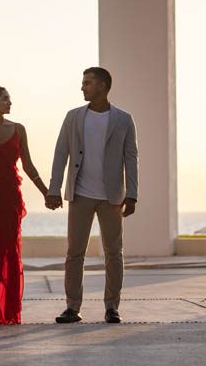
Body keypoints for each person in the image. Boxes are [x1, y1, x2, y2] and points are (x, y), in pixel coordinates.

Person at [46, 67, 138, 324]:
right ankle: (72, 307)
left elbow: (131, 158)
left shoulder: (123, 119)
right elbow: (60, 154)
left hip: (112, 197)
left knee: (114, 252)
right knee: (74, 253)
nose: (82, 87)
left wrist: (132, 194)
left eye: (87, 83)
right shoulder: (73, 117)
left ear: (103, 86)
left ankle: (112, 307)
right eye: (82, 82)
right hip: (80, 194)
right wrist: (54, 189)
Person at [0, 85, 49, 324]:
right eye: (5, 99)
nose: (10, 103)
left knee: (11, 253)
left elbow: (28, 166)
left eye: (10, 99)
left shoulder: (18, 129)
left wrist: (47, 192)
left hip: (10, 198)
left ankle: (10, 311)